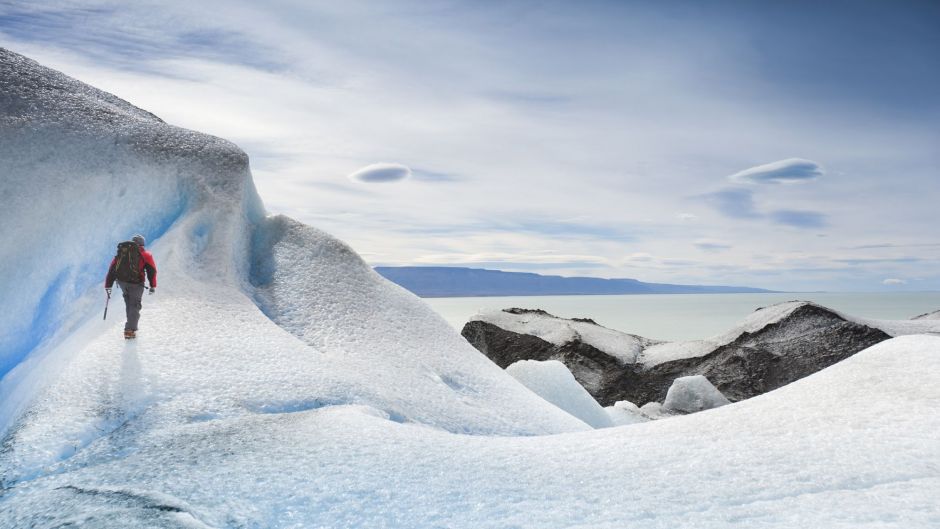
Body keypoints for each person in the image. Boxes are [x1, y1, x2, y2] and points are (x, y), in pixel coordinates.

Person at [105, 234, 157, 339]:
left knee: (129, 303)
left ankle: (130, 324)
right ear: (142, 244)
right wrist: (152, 285)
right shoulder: (146, 255)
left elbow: (111, 270)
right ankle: (129, 330)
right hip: (136, 284)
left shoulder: (122, 254)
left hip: (122, 282)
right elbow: (152, 271)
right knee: (135, 306)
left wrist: (108, 286)